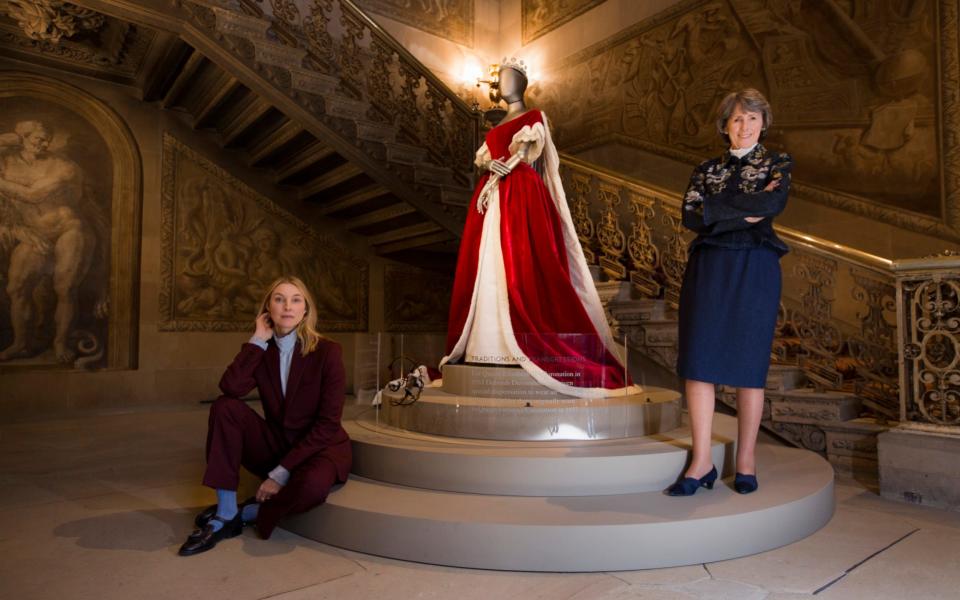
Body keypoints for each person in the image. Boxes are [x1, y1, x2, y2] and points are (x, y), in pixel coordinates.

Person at [442, 57, 637, 398]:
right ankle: (489, 343)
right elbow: (486, 159)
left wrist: (510, 163)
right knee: (488, 267)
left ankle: (519, 340)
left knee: (521, 264)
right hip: (495, 197)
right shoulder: (496, 126)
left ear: (521, 81)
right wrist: (493, 169)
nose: (501, 84)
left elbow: (531, 153)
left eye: (507, 77)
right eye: (499, 78)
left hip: (521, 193)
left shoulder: (534, 118)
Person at [669, 88, 793, 496]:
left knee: (748, 364)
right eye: (737, 119)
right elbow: (691, 215)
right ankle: (701, 461)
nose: (745, 126)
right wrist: (744, 210)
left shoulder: (778, 163)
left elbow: (772, 204)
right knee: (698, 361)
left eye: (753, 118)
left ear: (764, 123)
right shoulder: (704, 168)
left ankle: (746, 460)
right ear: (725, 126)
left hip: (756, 266)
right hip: (709, 266)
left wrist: (719, 211)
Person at [179, 276, 351, 555]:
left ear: (305, 310)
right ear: (268, 309)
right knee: (225, 407)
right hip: (278, 441)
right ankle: (225, 514)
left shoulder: (327, 352)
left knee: (311, 487)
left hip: (320, 448)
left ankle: (248, 513)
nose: (287, 307)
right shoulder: (263, 350)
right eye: (279, 299)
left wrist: (280, 475)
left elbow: (328, 424)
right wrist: (258, 340)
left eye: (296, 300)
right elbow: (231, 388)